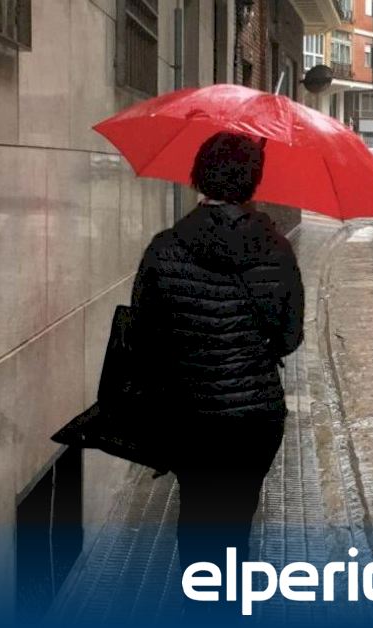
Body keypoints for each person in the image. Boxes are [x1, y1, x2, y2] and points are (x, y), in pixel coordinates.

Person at [130, 132, 305, 577]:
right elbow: (289, 338)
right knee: (236, 522)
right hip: (256, 418)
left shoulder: (165, 248)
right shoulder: (278, 249)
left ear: (197, 177)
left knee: (198, 520)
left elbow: (144, 337)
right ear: (253, 182)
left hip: (191, 417)